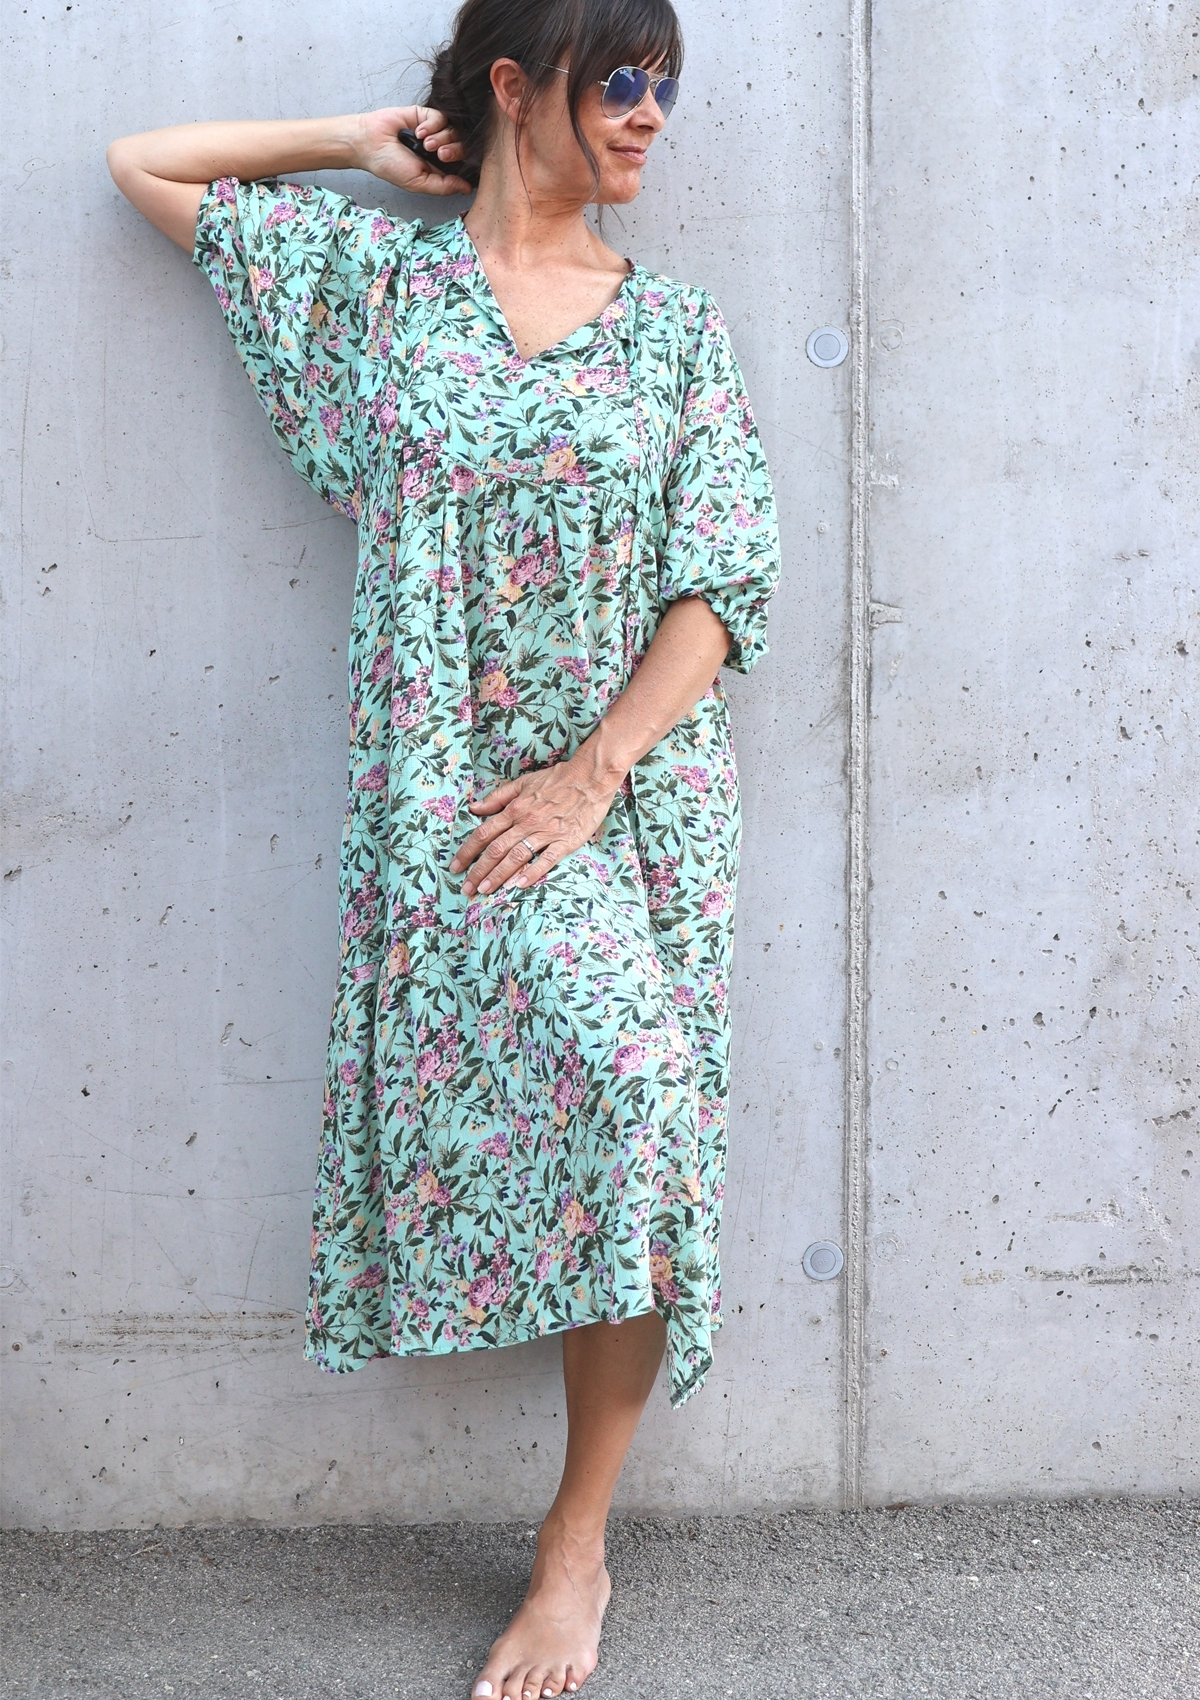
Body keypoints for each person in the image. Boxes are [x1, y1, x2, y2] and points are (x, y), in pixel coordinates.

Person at [107, 1, 780, 1694]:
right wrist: (355, 143)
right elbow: (143, 164)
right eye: (621, 79)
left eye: (668, 87)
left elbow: (722, 582)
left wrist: (594, 775)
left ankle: (576, 1549)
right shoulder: (378, 295)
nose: (651, 112)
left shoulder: (675, 332)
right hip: (450, 800)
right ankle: (569, 1539)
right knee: (594, 1104)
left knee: (640, 1110)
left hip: (633, 804)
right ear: (514, 85)